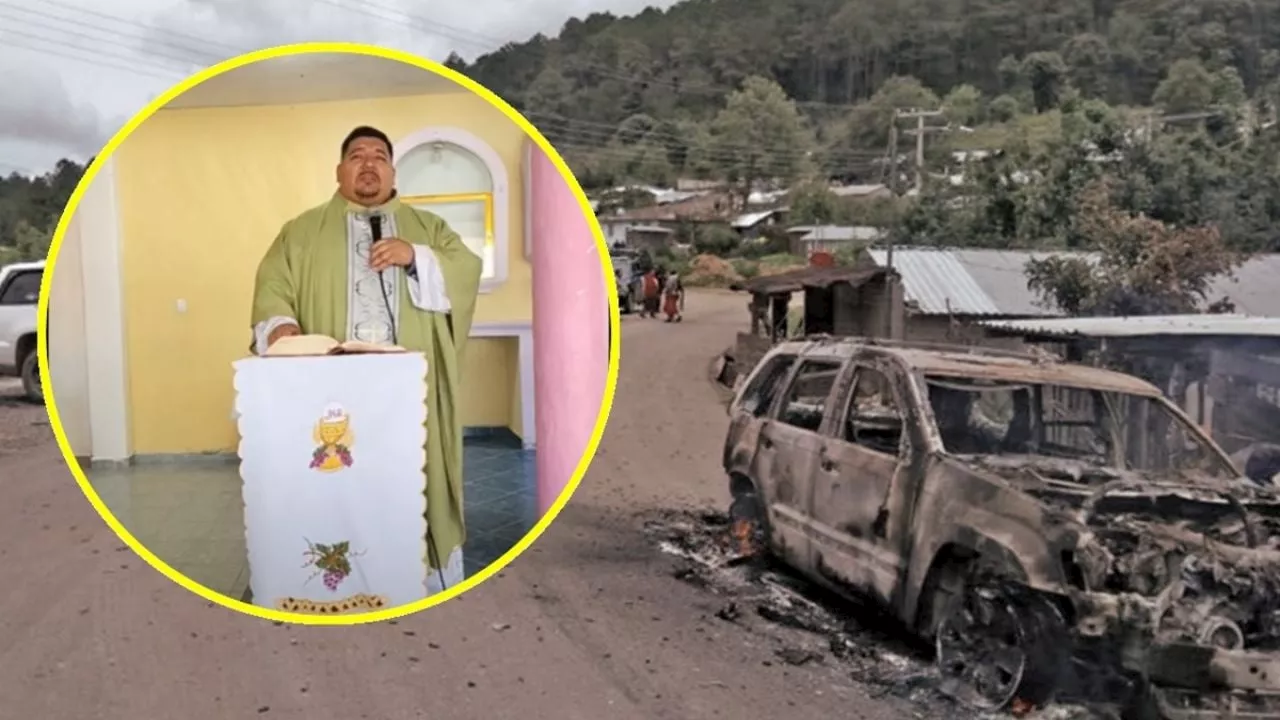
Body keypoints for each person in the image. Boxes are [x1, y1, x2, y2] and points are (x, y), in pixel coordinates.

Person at [250, 125, 483, 594]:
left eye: (380, 155)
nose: (369, 164)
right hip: (329, 395)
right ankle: (334, 580)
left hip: (407, 395)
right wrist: (280, 326)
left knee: (412, 478)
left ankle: (417, 578)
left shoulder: (428, 229)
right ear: (339, 171)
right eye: (357, 156)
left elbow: (466, 269)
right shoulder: (300, 232)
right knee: (336, 476)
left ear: (394, 170)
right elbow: (273, 285)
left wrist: (414, 256)